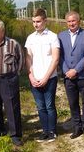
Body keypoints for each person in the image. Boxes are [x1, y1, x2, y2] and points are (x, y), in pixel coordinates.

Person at [25, 9, 60, 143]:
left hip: (49, 77)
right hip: (35, 77)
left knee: (49, 105)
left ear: (45, 21)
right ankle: (44, 131)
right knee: (40, 106)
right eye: (34, 22)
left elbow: (55, 59)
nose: (36, 24)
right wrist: (31, 76)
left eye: (38, 21)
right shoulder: (30, 38)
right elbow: (28, 59)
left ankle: (52, 131)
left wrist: (46, 77)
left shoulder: (52, 36)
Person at [58, 11, 84, 139]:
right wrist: (67, 70)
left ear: (79, 21)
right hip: (67, 75)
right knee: (72, 102)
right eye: (69, 21)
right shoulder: (60, 36)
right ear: (66, 22)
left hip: (83, 75)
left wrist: (76, 70)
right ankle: (77, 126)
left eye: (74, 21)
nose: (71, 23)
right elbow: (59, 56)